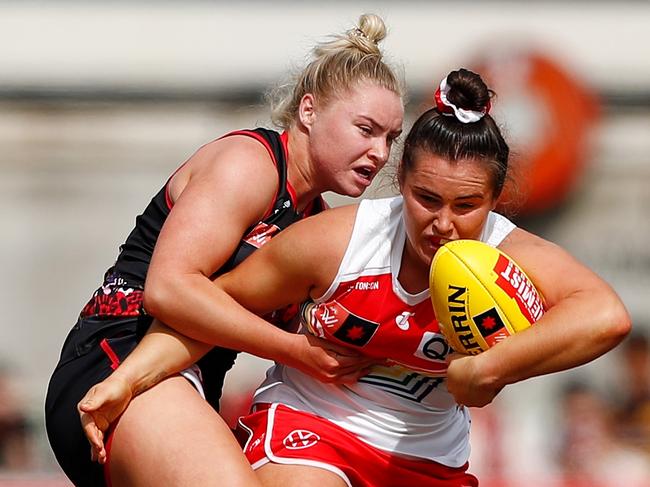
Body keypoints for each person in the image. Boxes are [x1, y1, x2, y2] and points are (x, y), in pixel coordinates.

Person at [78, 68, 631, 486]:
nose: (443, 223)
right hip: (312, 431)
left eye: (467, 204)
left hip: (430, 455)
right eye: (426, 199)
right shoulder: (339, 241)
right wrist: (127, 380)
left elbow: (606, 317)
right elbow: (214, 307)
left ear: (495, 199)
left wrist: (489, 368)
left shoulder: (509, 253)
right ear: (401, 183)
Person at [45, 13, 404, 487]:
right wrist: (295, 349)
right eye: (366, 129)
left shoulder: (318, 222)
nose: (379, 152)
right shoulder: (250, 164)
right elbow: (169, 290)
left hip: (187, 384)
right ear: (309, 111)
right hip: (116, 355)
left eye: (391, 138)